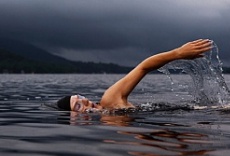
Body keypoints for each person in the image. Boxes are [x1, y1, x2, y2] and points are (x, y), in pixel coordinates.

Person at [56, 39, 213, 112]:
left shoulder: (109, 100)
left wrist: (178, 53)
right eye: (77, 105)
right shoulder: (107, 122)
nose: (84, 100)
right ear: (74, 118)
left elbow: (143, 67)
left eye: (79, 96)